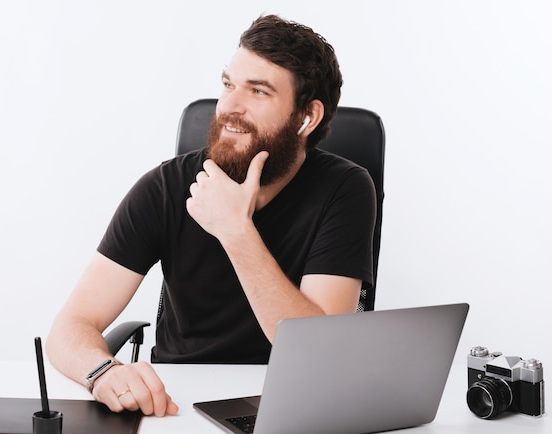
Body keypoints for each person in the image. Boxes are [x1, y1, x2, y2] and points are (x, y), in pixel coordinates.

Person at [46, 14, 376, 417]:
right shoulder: (166, 186)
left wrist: (236, 230)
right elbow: (70, 327)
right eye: (228, 84)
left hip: (290, 401)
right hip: (177, 401)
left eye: (258, 91)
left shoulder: (345, 189)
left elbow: (319, 353)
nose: (229, 107)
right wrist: (103, 372)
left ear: (307, 117)